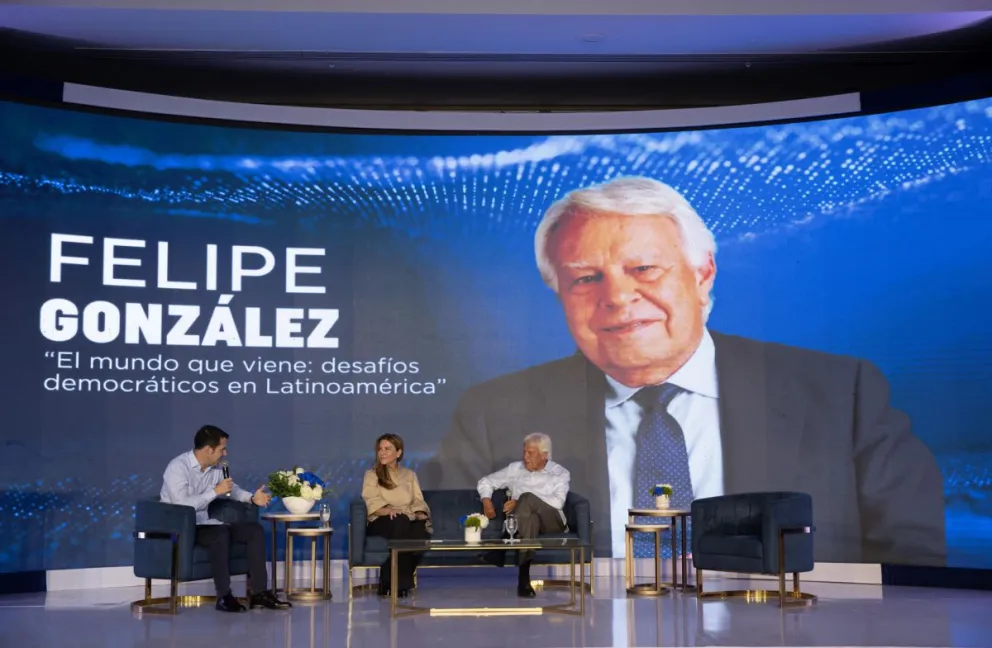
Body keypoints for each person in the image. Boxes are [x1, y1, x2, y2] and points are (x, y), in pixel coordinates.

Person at [430, 175, 947, 567]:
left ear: (703, 275)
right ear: (559, 294)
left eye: (644, 269)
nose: (618, 298)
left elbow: (915, 564)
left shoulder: (841, 393)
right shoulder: (492, 415)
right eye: (586, 279)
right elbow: (456, 562)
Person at [160, 424, 290, 612]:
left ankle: (259, 593)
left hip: (205, 524)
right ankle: (224, 596)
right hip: (181, 528)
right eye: (222, 449)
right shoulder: (178, 467)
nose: (225, 453)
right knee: (219, 533)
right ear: (208, 449)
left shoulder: (215, 468)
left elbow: (232, 489)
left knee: (254, 531)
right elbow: (182, 505)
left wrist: (252, 498)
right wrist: (215, 491)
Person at [477, 433, 570, 598]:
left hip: (552, 522)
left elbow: (558, 503)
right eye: (524, 452)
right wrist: (486, 500)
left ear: (544, 455)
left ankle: (502, 546)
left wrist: (521, 501)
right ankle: (524, 578)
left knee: (526, 498)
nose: (525, 457)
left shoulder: (560, 473)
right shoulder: (515, 469)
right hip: (527, 524)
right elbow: (486, 481)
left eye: (530, 453)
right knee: (530, 520)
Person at [362, 433, 431, 598]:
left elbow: (417, 500)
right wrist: (387, 510)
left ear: (398, 453)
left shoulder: (410, 475)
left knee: (421, 531)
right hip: (381, 520)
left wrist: (420, 513)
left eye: (387, 449)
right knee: (400, 520)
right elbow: (371, 499)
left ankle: (387, 580)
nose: (382, 453)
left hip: (405, 518)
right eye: (380, 449)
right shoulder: (372, 474)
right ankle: (400, 585)